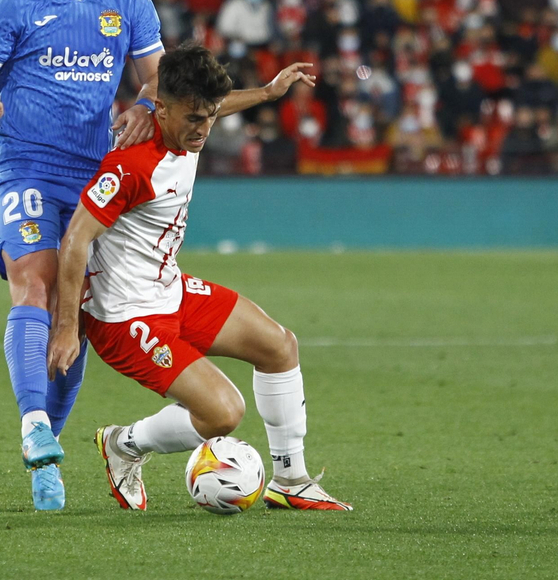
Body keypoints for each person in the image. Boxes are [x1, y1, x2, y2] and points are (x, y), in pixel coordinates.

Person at [0, 0, 310, 512]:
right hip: (25, 165)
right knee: (36, 283)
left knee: (73, 311)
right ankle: (34, 425)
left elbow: (163, 86)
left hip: (92, 166)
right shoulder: (15, 2)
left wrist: (148, 106)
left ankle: (52, 451)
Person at [45, 42, 349, 512]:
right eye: (194, 119)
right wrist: (67, 327)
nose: (204, 129)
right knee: (223, 413)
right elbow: (74, 240)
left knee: (279, 346)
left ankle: (291, 480)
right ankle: (124, 444)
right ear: (161, 108)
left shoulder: (188, 122)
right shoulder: (130, 164)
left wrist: (268, 93)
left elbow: (214, 105)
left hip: (170, 290)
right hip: (124, 317)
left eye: (209, 117)